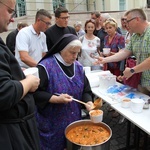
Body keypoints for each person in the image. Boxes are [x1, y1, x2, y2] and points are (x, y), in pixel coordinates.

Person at [34, 34, 94, 150]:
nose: (75, 57)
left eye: (77, 53)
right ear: (61, 49)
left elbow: (86, 90)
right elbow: (35, 93)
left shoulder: (79, 67)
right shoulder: (46, 67)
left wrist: (88, 102)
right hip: (51, 124)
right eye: (72, 53)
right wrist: (55, 99)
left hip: (73, 121)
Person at [0, 0, 40, 149]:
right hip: (11, 135)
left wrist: (16, 74)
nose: (12, 18)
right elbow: (4, 93)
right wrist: (28, 82)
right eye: (10, 11)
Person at [95, 8, 150, 96]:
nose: (125, 24)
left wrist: (132, 70)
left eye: (128, 21)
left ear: (137, 19)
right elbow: (125, 52)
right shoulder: (135, 35)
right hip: (142, 82)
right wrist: (105, 60)